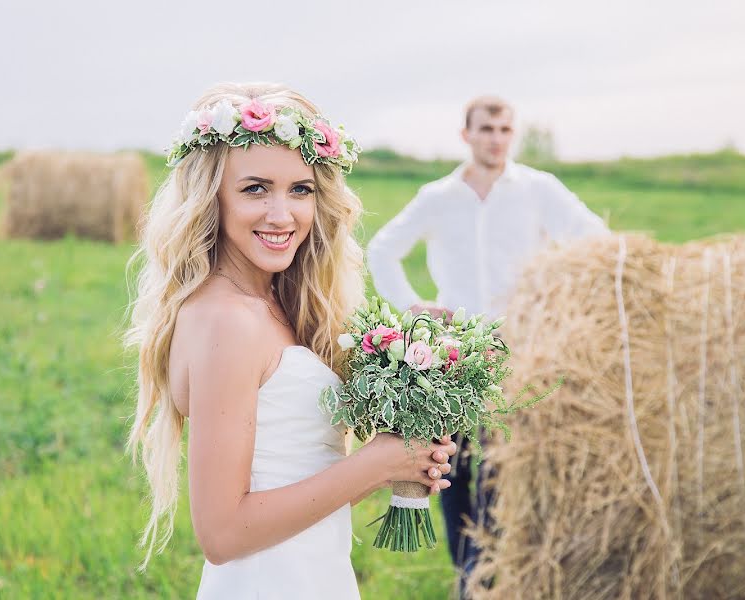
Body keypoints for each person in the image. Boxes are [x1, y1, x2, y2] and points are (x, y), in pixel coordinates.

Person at [124, 82, 457, 599]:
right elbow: (223, 533)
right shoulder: (227, 321)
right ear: (211, 197)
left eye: (300, 189)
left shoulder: (273, 304)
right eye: (255, 188)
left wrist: (397, 460)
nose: (283, 215)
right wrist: (373, 462)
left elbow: (293, 480)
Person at [367, 95, 608, 591]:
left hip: (519, 349)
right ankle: (467, 575)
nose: (496, 138)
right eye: (487, 129)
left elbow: (595, 239)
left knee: (501, 468)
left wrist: (559, 303)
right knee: (452, 465)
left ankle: (491, 575)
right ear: (466, 135)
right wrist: (412, 304)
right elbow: (382, 250)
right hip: (454, 353)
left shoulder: (539, 190)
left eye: (504, 129)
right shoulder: (439, 195)